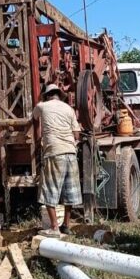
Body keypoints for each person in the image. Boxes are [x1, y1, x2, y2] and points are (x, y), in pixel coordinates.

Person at [32, 82, 82, 237]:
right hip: (70, 153)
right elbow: (76, 134)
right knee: (70, 192)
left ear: (47, 95)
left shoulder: (42, 106)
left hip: (54, 152)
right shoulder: (69, 109)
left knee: (49, 191)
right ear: (59, 95)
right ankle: (66, 225)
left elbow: (34, 118)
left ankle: (54, 227)